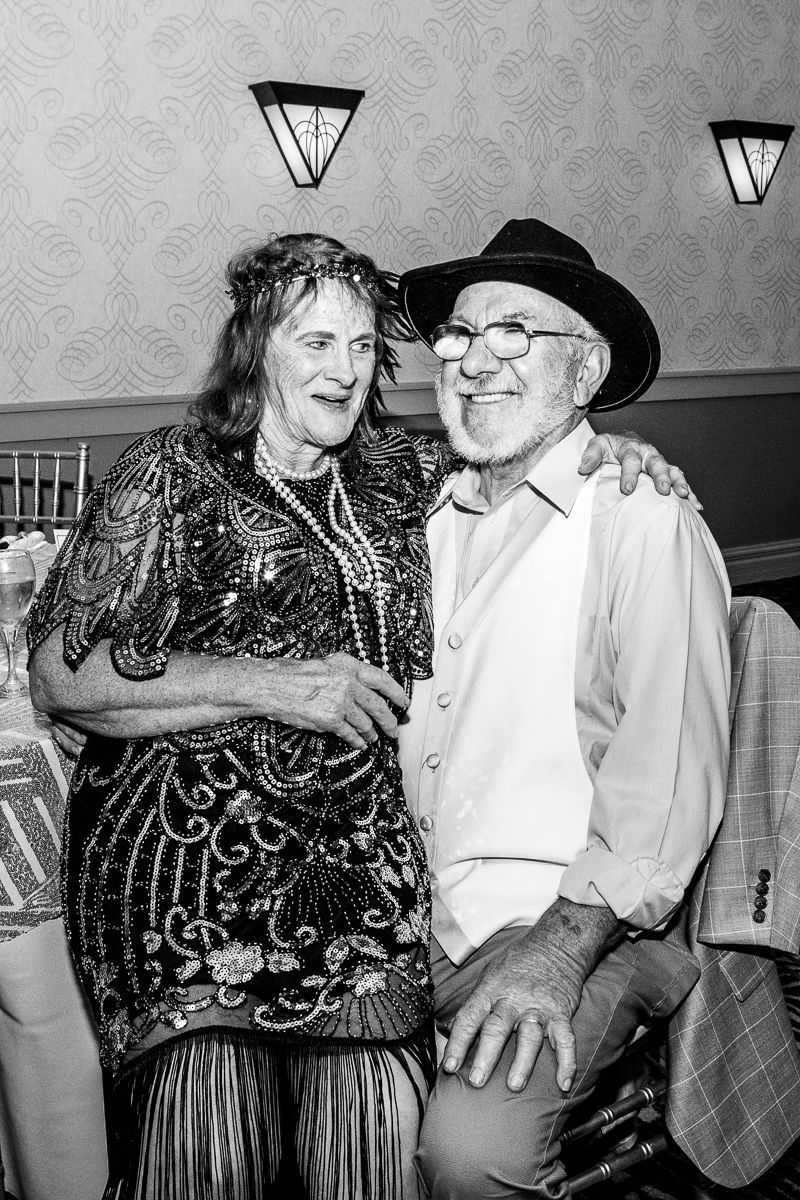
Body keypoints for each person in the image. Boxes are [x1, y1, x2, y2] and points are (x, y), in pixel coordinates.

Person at [28, 231, 688, 1200]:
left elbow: (531, 469)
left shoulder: (404, 478)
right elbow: (59, 675)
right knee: (213, 1125)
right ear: (258, 347)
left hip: (358, 877)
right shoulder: (169, 472)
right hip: (183, 874)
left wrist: (616, 458)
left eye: (363, 346)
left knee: (376, 1128)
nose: (344, 369)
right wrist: (279, 682)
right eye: (314, 342)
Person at [394, 218, 732, 1199]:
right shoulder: (419, 517)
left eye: (514, 335)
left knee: (470, 1151)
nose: (472, 362)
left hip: (588, 921)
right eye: (458, 335)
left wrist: (554, 953)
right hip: (418, 916)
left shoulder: (637, 519)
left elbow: (664, 786)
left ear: (583, 373)